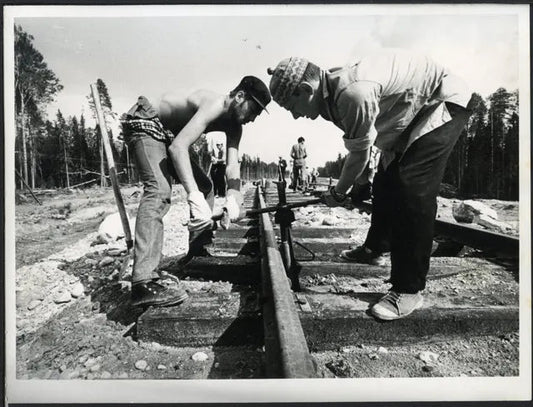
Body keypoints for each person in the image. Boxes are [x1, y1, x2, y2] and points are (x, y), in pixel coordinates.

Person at [268, 51, 474, 320]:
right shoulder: (331, 94)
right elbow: (364, 141)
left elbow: (359, 155)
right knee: (385, 180)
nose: (295, 117)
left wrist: (338, 192)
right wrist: (361, 181)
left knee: (412, 186)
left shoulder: (351, 92)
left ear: (306, 90)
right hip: (408, 117)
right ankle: (374, 248)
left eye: (291, 107)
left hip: (441, 102)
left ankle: (409, 289)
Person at [121, 76, 271, 307]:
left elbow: (232, 165)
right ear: (240, 96)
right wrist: (193, 197)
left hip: (168, 132)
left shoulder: (235, 126)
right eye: (254, 110)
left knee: (206, 187)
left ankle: (196, 253)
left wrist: (233, 196)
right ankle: (142, 282)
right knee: (159, 191)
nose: (253, 118)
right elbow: (178, 147)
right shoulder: (214, 104)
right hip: (146, 120)